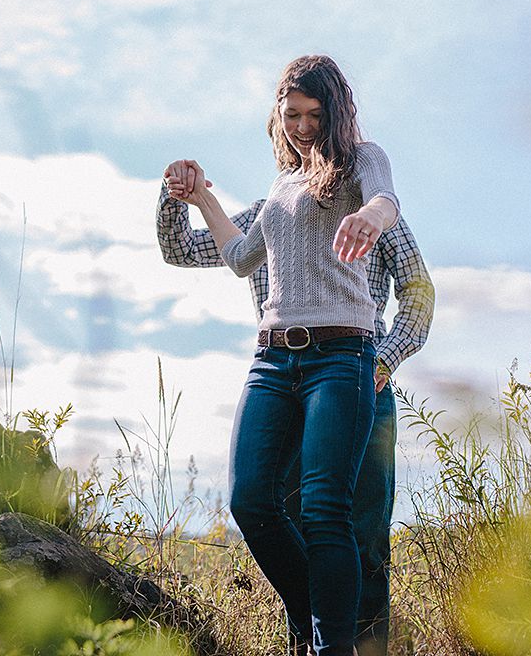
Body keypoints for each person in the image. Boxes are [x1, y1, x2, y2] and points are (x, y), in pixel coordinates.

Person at [162, 55, 417, 655]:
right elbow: (239, 255)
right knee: (251, 500)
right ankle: (318, 622)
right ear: (278, 115)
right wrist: (198, 198)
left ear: (335, 114)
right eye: (293, 114)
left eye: (315, 114)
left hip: (342, 355)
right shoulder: (280, 186)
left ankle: (333, 646)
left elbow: (386, 199)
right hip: (273, 361)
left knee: (327, 509)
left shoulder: (361, 158)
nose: (303, 126)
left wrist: (368, 216)